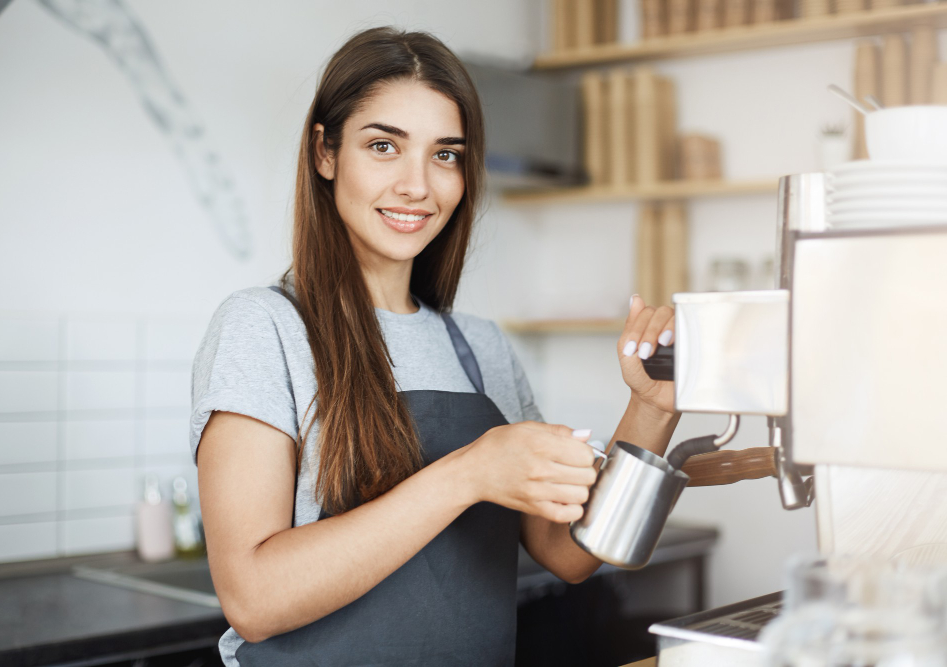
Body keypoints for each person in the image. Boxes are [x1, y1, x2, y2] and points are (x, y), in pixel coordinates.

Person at [190, 26, 679, 667]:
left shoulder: (479, 348)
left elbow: (568, 554)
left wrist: (654, 408)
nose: (417, 185)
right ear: (325, 153)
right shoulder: (265, 328)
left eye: (445, 155)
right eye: (384, 146)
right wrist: (470, 473)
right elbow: (253, 600)